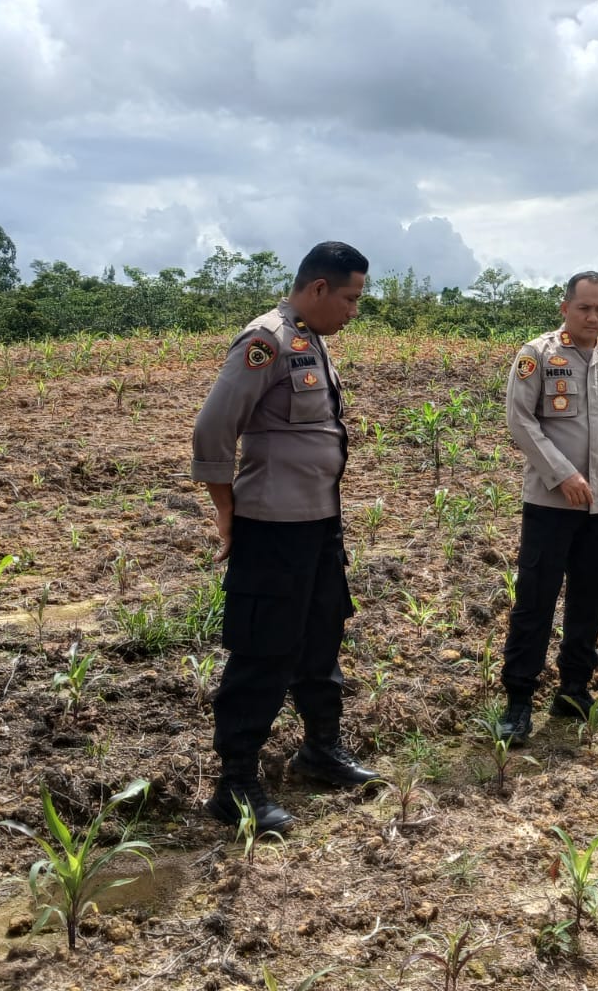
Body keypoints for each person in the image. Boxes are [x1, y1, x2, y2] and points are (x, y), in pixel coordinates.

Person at [191, 240, 380, 832]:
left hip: (319, 522)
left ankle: (321, 749)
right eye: (350, 297)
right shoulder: (265, 341)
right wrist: (227, 512)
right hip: (271, 528)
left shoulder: (310, 338)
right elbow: (211, 432)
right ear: (319, 288)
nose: (354, 310)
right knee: (264, 651)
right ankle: (237, 784)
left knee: (322, 635)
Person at [496, 271, 598, 743]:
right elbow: (520, 420)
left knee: (590, 599)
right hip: (549, 504)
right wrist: (562, 473)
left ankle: (574, 691)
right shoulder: (538, 354)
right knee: (535, 603)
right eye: (584, 308)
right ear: (565, 308)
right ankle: (518, 701)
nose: (594, 317)